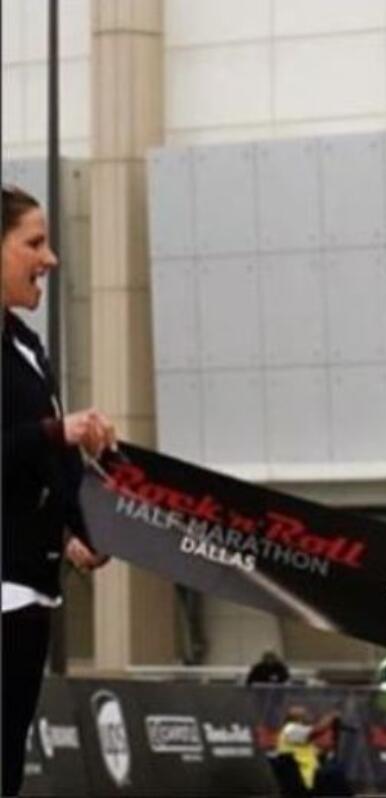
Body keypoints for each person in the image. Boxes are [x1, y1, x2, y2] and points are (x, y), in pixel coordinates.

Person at [2, 184, 116, 796]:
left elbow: (49, 459)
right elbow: (36, 439)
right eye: (33, 243)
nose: (49, 259)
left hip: (33, 586)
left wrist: (81, 529)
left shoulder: (25, 344)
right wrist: (55, 429)